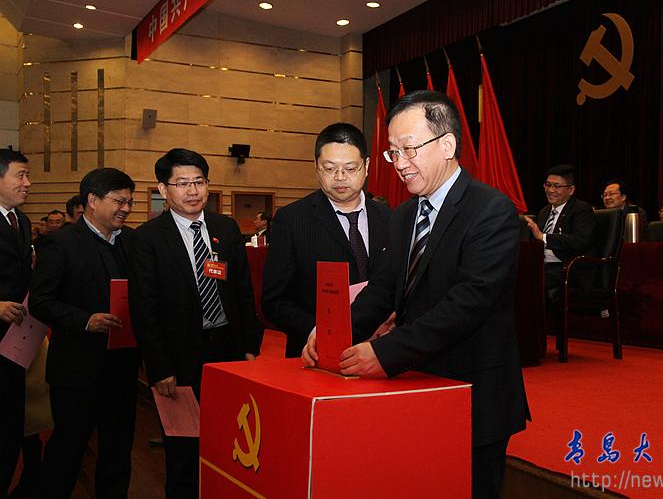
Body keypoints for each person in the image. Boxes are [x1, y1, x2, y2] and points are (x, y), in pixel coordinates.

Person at [303, 92, 528, 499]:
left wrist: (386, 352)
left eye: (408, 149)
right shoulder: (405, 214)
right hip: (415, 385)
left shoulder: (491, 211)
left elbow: (468, 303)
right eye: (393, 152)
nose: (400, 163)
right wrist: (334, 331)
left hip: (473, 393)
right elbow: (384, 287)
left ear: (447, 144)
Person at [129, 148, 263, 499]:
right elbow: (144, 309)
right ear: (164, 189)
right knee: (183, 448)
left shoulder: (225, 228)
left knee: (229, 438)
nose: (192, 191)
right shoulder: (147, 238)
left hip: (228, 351)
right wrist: (160, 367)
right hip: (179, 357)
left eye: (199, 182)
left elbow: (243, 291)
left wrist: (250, 347)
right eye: (182, 183)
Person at [29, 168, 139, 499]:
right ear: (92, 200)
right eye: (119, 201)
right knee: (68, 448)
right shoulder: (60, 242)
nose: (126, 209)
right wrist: (85, 320)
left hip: (122, 365)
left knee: (118, 449)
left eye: (130, 202)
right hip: (77, 368)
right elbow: (41, 301)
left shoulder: (132, 241)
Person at [262, 123, 390, 358]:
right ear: (316, 167)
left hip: (381, 351)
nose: (340, 177)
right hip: (315, 353)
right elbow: (274, 300)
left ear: (367, 166)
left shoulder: (390, 218)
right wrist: (318, 332)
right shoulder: (291, 220)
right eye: (329, 168)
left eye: (350, 168)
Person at [0, 149, 33, 499]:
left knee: (11, 424)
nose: (28, 183)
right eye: (20, 175)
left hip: (16, 343)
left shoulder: (21, 221)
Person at [524, 165, 596, 299]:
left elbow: (580, 241)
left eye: (557, 186)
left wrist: (543, 237)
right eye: (548, 185)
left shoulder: (581, 209)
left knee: (529, 281)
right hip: (543, 265)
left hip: (567, 268)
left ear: (571, 190)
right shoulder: (544, 211)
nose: (550, 190)